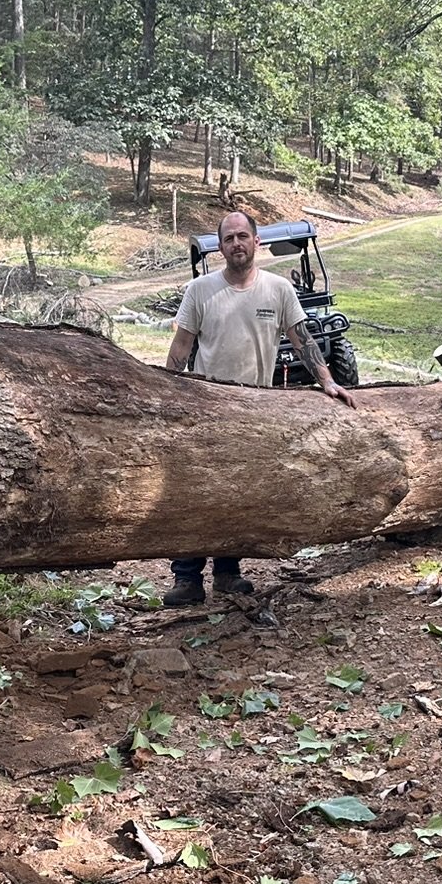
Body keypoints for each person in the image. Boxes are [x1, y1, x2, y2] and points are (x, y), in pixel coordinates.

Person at [160, 209, 357, 607]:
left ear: (257, 242)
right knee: (197, 495)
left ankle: (228, 574)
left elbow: (302, 340)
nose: (236, 244)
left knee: (236, 495)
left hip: (255, 413)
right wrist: (166, 391)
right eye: (229, 238)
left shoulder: (278, 289)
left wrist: (328, 381)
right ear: (221, 247)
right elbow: (182, 346)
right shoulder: (200, 291)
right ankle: (186, 578)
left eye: (243, 236)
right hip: (205, 409)